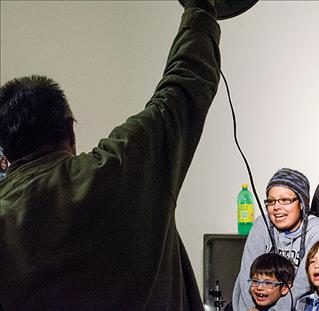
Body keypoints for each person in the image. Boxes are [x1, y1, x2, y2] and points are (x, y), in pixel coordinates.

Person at [0, 1, 220, 310]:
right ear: (70, 131)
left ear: (5, 152)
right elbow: (183, 87)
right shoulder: (120, 168)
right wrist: (201, 10)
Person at [232, 168, 319, 310]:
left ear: (302, 203)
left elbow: (302, 284)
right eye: (271, 201)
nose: (276, 207)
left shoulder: (317, 232)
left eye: (285, 200)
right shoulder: (262, 225)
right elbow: (247, 275)